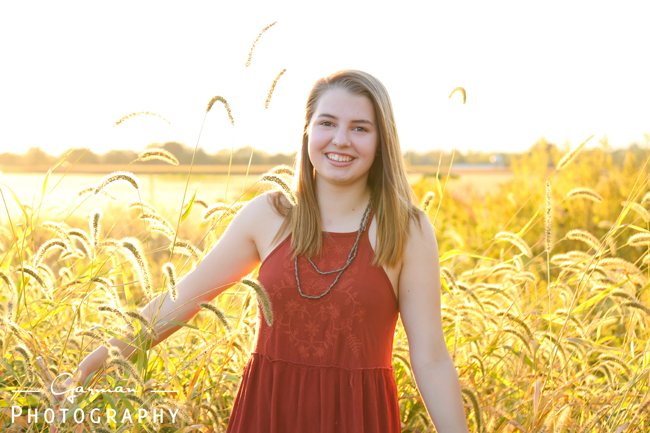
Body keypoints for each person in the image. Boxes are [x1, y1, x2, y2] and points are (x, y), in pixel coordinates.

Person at [56, 70, 470, 432]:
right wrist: (95, 362)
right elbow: (183, 299)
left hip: (357, 416)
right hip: (267, 411)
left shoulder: (407, 230)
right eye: (327, 123)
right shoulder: (268, 216)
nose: (340, 140)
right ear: (307, 131)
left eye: (360, 128)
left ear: (382, 141)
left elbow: (431, 359)